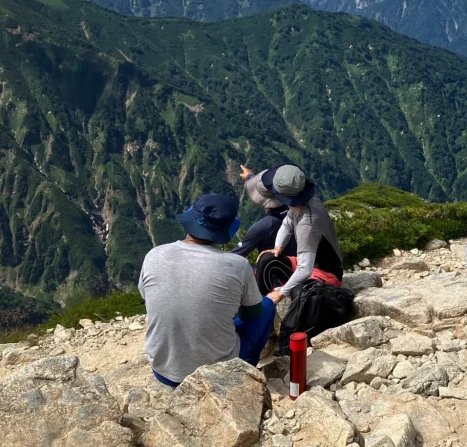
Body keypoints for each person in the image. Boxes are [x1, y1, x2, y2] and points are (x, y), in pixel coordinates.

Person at [138, 194, 276, 388]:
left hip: (163, 371)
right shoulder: (238, 265)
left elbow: (148, 297)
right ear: (225, 229)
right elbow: (251, 313)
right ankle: (244, 373)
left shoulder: (154, 254)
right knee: (267, 305)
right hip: (216, 375)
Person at [245, 164, 344, 302]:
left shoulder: (307, 224)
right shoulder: (304, 202)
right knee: (267, 260)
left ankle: (282, 316)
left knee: (300, 292)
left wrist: (281, 293)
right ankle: (264, 308)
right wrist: (278, 247)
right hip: (310, 265)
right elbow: (287, 224)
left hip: (326, 274)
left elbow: (305, 270)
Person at [232, 166, 298, 259]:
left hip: (279, 271)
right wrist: (250, 176)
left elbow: (234, 257)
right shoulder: (298, 208)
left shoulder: (265, 226)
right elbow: (268, 189)